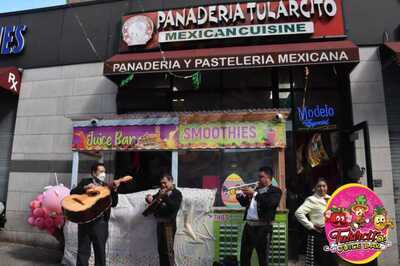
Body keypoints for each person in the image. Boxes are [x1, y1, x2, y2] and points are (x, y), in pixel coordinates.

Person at [70, 163, 132, 266]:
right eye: (101, 171)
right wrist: (85, 188)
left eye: (104, 171)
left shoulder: (107, 186)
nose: (103, 174)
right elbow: (72, 193)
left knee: (100, 252)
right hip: (85, 222)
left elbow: (114, 203)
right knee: (83, 251)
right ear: (94, 173)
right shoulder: (86, 182)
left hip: (100, 223)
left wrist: (115, 190)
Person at [236, 166, 282, 266]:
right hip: (248, 226)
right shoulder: (256, 190)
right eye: (259, 176)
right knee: (244, 257)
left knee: (263, 258)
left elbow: (270, 203)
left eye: (261, 176)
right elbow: (245, 204)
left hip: (263, 228)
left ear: (268, 178)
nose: (259, 179)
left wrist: (254, 194)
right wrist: (239, 195)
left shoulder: (275, 191)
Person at [295, 178, 337, 266]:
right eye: (319, 186)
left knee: (332, 259)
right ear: (315, 188)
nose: (322, 188)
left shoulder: (331, 198)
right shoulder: (311, 199)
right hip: (318, 233)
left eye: (324, 186)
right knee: (319, 261)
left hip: (331, 233)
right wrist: (311, 226)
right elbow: (298, 213)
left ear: (327, 187)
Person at [145, 174, 182, 266]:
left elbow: (173, 207)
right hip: (160, 224)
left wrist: (164, 197)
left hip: (169, 225)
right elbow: (153, 199)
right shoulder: (160, 193)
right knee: (161, 250)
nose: (163, 185)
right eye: (161, 183)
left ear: (171, 181)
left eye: (165, 183)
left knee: (168, 251)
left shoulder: (176, 193)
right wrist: (149, 198)